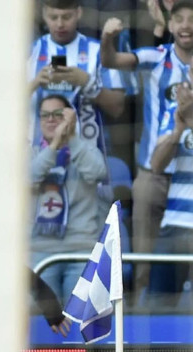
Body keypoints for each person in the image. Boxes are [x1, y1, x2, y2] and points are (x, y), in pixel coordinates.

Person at [102, 1, 193, 301]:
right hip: (152, 177)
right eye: (179, 19)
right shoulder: (156, 57)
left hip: (189, 180)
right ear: (170, 25)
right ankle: (142, 336)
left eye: (191, 20)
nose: (185, 26)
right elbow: (113, 61)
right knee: (144, 264)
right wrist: (107, 38)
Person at [30, 95, 109, 300]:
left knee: (79, 323)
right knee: (43, 322)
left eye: (58, 115)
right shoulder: (31, 154)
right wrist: (55, 145)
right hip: (40, 250)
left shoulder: (86, 150)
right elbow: (29, 178)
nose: (51, 120)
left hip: (81, 250)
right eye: (45, 115)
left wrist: (71, 137)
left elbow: (97, 172)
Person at [28, 0, 127, 156]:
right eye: (53, 17)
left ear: (79, 13)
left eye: (66, 17)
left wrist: (87, 83)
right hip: (36, 157)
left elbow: (118, 108)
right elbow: (2, 103)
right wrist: (35, 83)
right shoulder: (30, 52)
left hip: (86, 159)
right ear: (44, 15)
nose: (60, 24)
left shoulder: (98, 52)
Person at [146, 81, 193, 305]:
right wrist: (177, 132)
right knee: (157, 306)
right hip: (174, 223)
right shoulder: (176, 109)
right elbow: (156, 164)